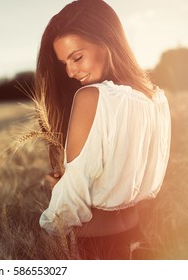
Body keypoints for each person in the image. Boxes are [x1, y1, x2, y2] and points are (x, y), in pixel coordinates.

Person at [36, 0, 171, 259]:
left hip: (94, 246)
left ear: (107, 41)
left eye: (77, 57)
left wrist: (58, 189)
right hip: (137, 238)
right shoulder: (157, 99)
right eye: (64, 63)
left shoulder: (91, 96)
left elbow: (69, 205)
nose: (71, 71)